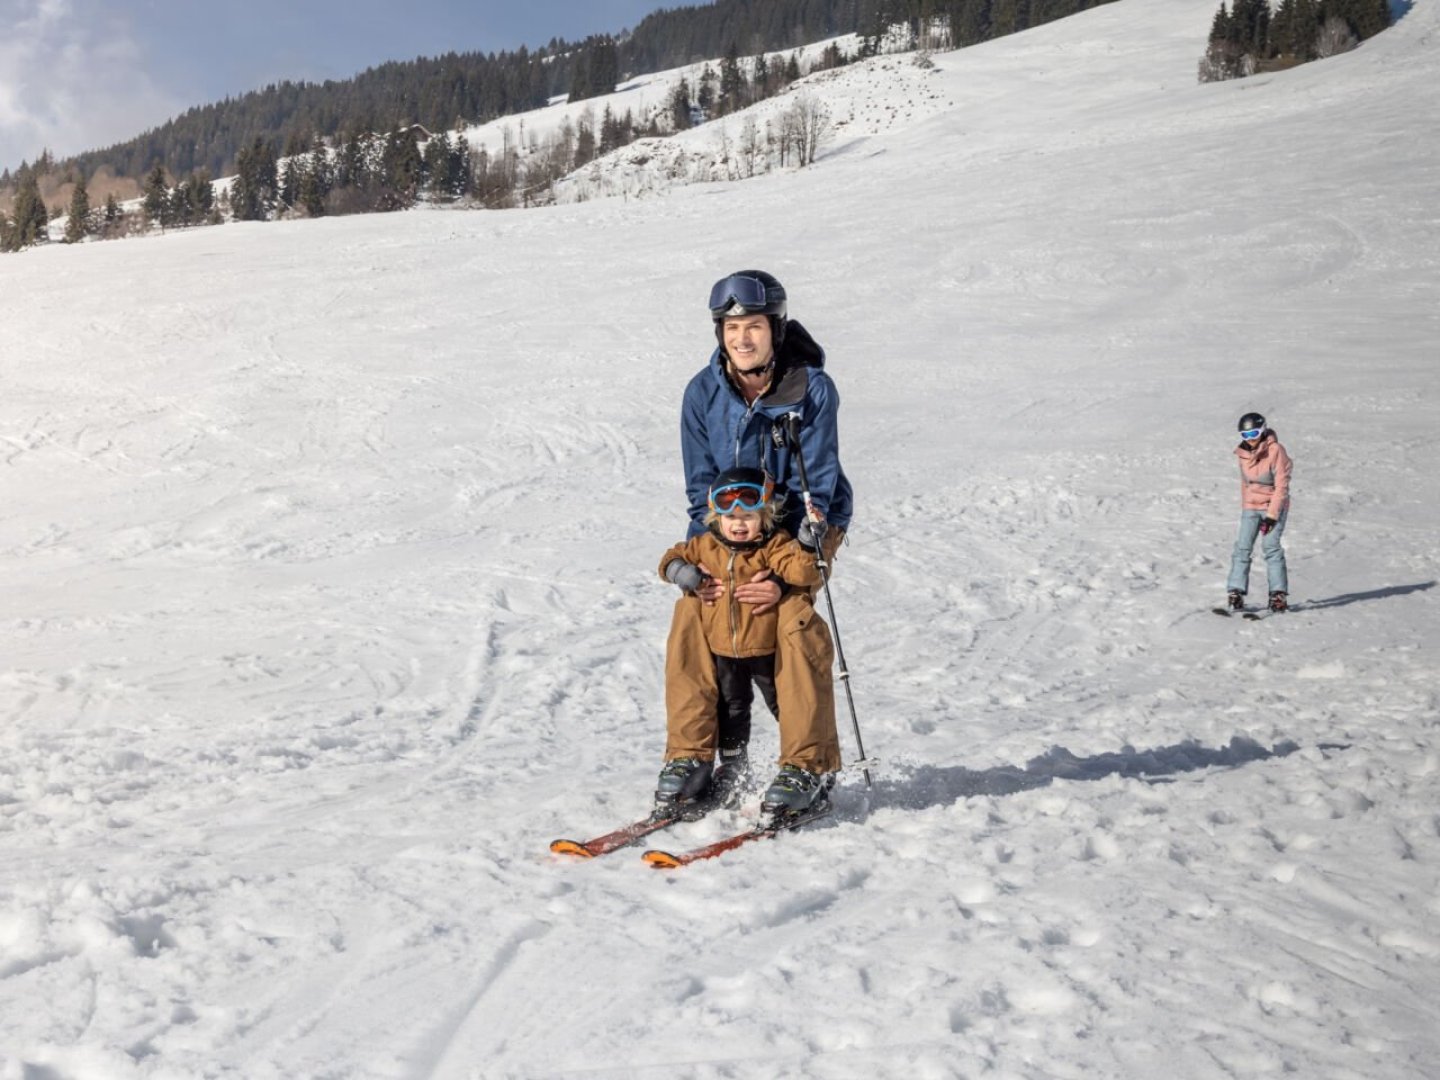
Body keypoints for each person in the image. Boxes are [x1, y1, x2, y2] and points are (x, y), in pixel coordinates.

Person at [660, 269, 853, 815]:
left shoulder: (810, 389)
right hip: (728, 526)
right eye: (731, 327)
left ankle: (807, 765)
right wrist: (715, 570)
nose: (742, 338)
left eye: (754, 326)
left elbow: (814, 482)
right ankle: (692, 758)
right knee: (694, 616)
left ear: (776, 328)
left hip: (803, 523)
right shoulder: (701, 393)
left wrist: (770, 571)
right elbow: (701, 490)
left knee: (791, 621)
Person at [654, 467, 824, 812]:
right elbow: (669, 559)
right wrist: (681, 572)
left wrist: (807, 541)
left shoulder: (774, 546)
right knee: (731, 708)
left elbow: (801, 569)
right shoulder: (705, 546)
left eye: (749, 516)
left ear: (766, 516)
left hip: (766, 649)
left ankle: (803, 766)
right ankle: (733, 765)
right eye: (730, 517)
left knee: (785, 705)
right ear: (716, 517)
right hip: (722, 651)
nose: (739, 524)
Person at [1226, 412, 1293, 613]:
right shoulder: (1243, 454)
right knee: (1242, 548)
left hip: (1274, 505)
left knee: (1271, 547)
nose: (1251, 439)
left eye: (1254, 433)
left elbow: (1281, 487)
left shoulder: (1276, 451)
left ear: (1263, 429)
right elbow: (1245, 484)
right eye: (1245, 435)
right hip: (1251, 507)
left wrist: (1272, 516)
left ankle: (1278, 595)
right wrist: (1247, 509)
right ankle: (1235, 592)